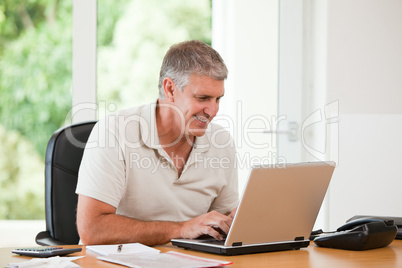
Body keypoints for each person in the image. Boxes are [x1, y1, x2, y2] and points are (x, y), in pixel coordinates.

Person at [76, 40, 238, 246]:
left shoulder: (222, 142)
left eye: (218, 99)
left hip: (189, 261)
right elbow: (93, 229)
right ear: (170, 89)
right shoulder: (114, 132)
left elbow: (222, 224)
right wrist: (181, 229)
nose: (213, 111)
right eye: (203, 98)